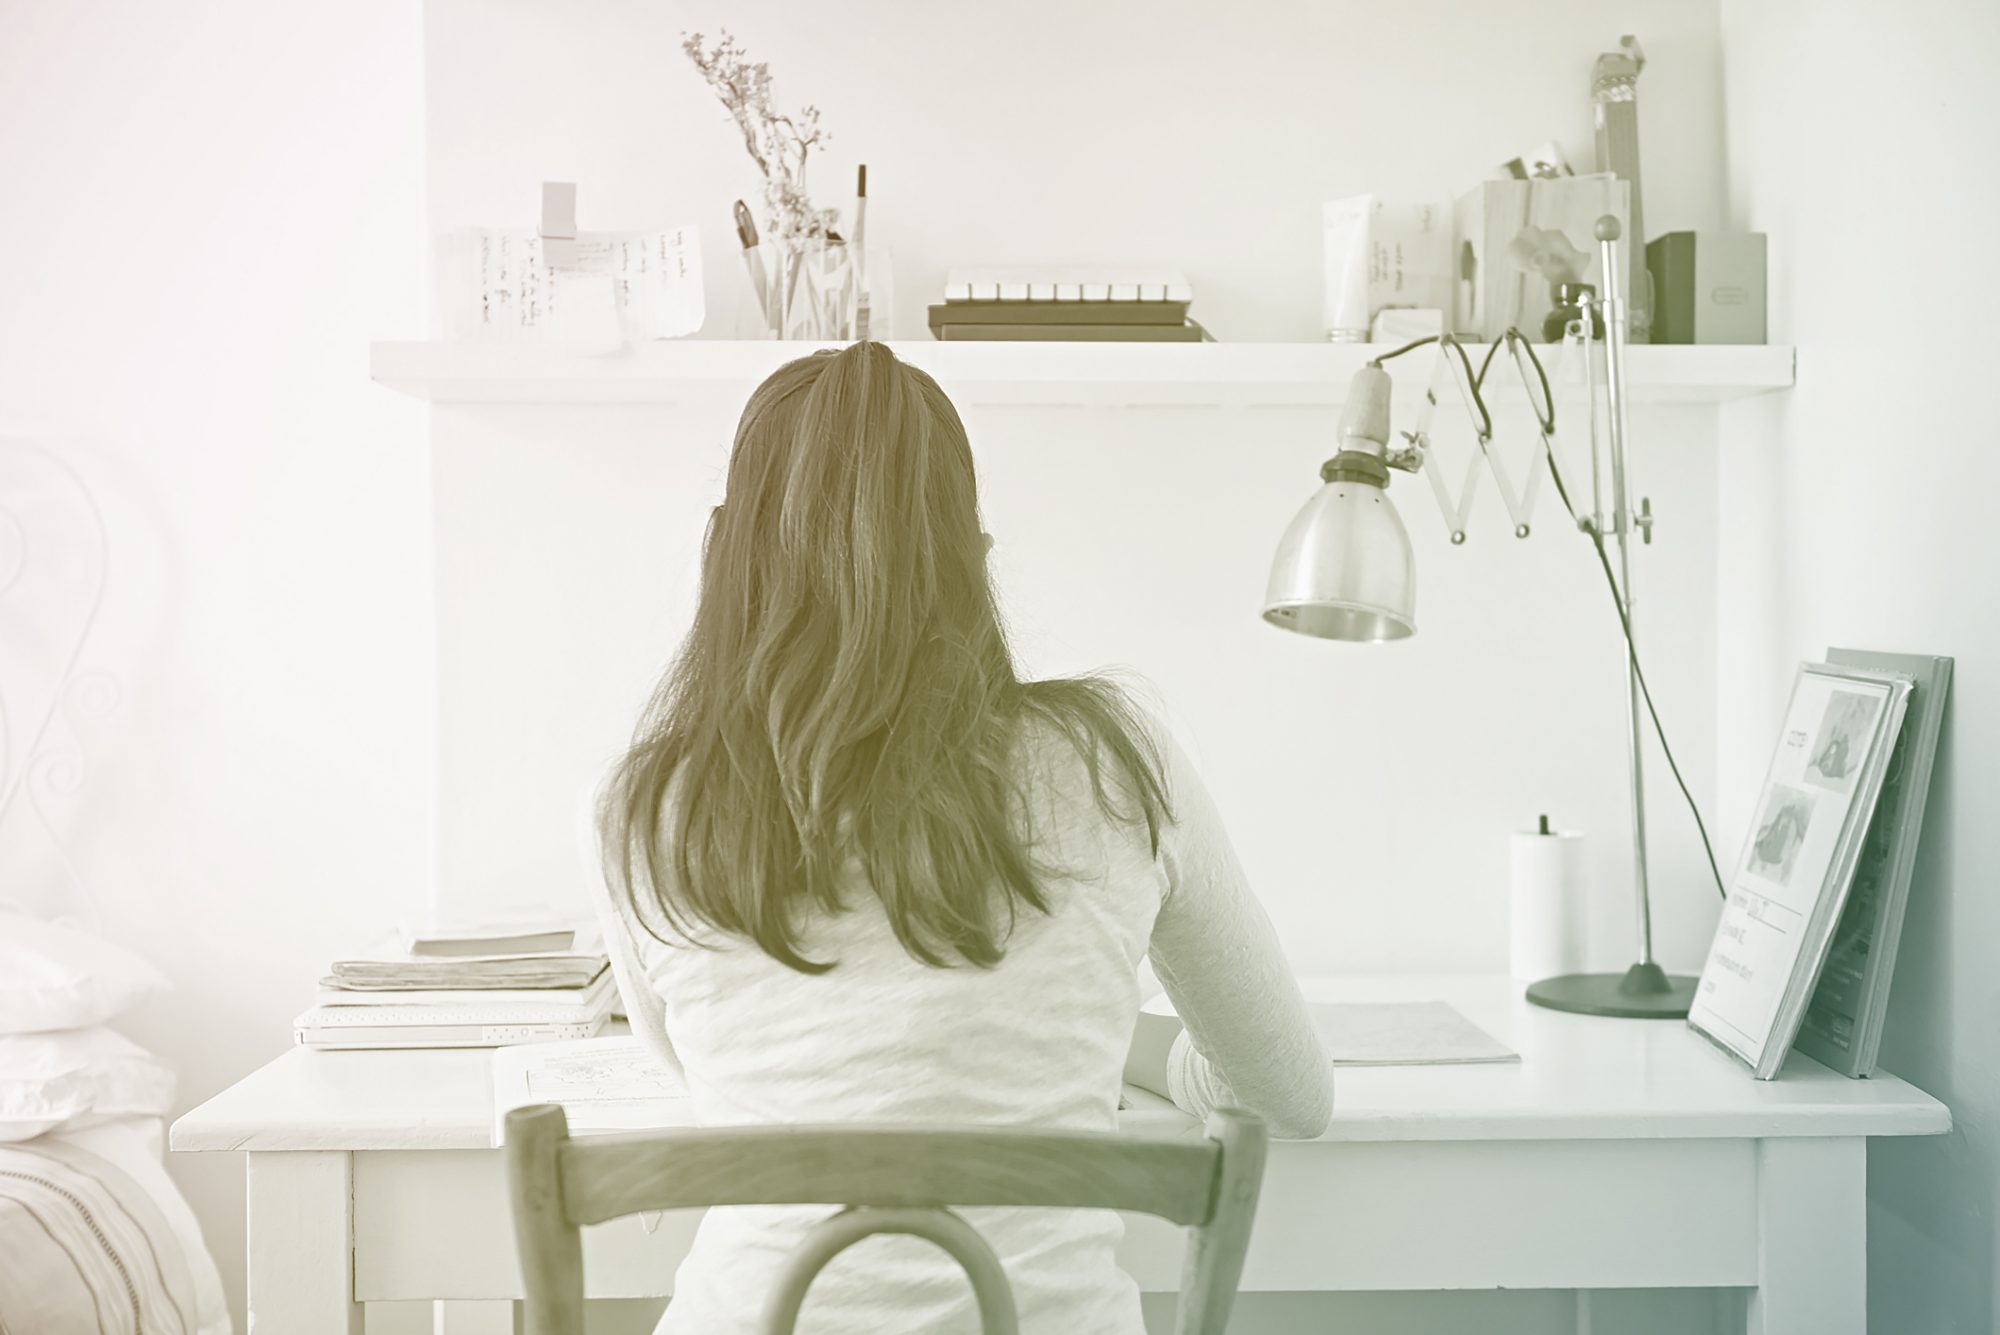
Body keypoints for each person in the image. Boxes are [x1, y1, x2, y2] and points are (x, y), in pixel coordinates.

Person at [584, 341, 1332, 1334]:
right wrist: (1093, 1053)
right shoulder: (1114, 763)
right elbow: (1284, 1097)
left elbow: (709, 1082)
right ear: (968, 552)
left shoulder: (650, 807)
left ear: (725, 551)